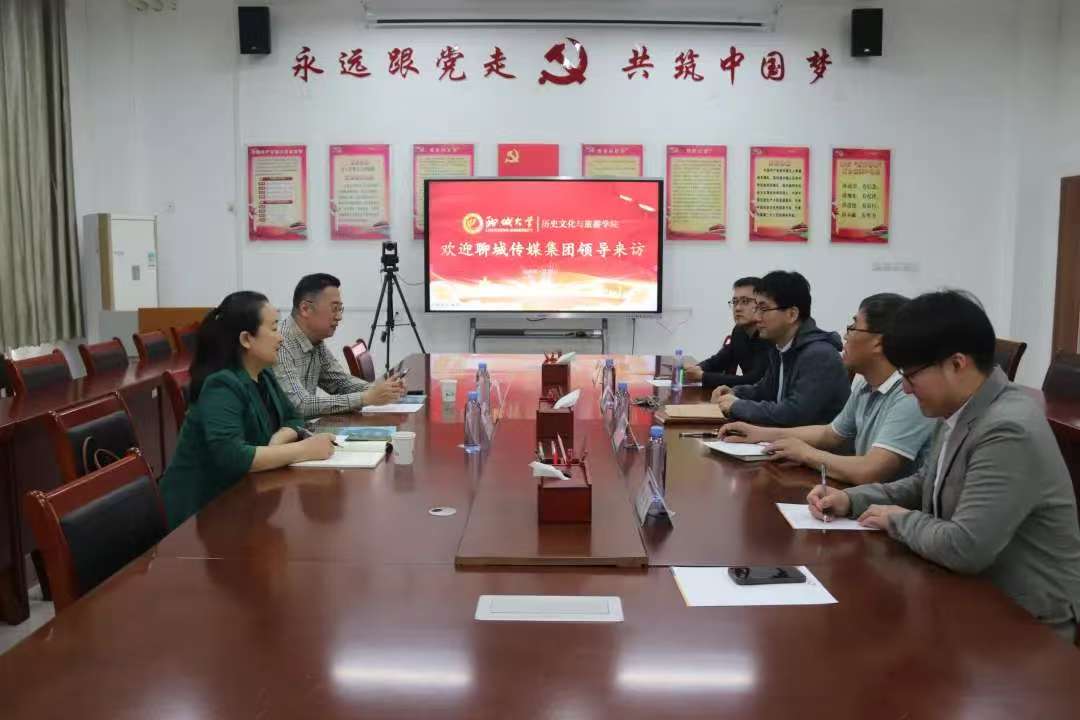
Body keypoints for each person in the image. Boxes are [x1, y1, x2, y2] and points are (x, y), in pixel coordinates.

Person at [807, 291, 1080, 642]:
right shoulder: (962, 407)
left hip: (1027, 624)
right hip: (969, 596)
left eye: (911, 376)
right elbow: (927, 482)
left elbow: (965, 548)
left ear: (957, 364)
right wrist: (853, 499)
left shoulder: (1007, 428)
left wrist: (899, 519)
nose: (906, 389)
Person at [160, 291, 336, 529]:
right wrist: (303, 449)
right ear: (246, 339)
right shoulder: (221, 385)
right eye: (273, 329)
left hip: (240, 502)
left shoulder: (263, 374)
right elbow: (232, 456)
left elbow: (294, 417)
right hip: (197, 516)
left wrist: (279, 439)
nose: (281, 338)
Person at [722, 293, 934, 484]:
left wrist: (806, 454)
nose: (845, 336)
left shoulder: (909, 395)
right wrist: (759, 434)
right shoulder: (865, 386)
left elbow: (871, 470)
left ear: (879, 343)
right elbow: (830, 434)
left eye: (853, 328)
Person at [711, 270, 849, 427]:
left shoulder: (819, 355)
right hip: (784, 437)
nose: (757, 317)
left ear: (792, 314)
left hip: (810, 442)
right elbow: (766, 390)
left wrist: (737, 406)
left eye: (763, 309)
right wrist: (735, 392)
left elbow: (794, 414)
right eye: (756, 308)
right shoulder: (780, 347)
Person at [274, 273, 404, 419]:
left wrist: (385, 389)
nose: (339, 317)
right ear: (305, 309)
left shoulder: (316, 341)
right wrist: (366, 398)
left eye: (340, 309)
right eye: (334, 308)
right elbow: (300, 405)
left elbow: (340, 382)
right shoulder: (279, 344)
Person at [683, 276, 771, 390]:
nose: (737, 308)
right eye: (735, 302)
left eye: (745, 301)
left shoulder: (768, 335)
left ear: (760, 304)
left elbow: (754, 380)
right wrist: (698, 368)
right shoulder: (739, 331)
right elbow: (719, 360)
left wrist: (703, 376)